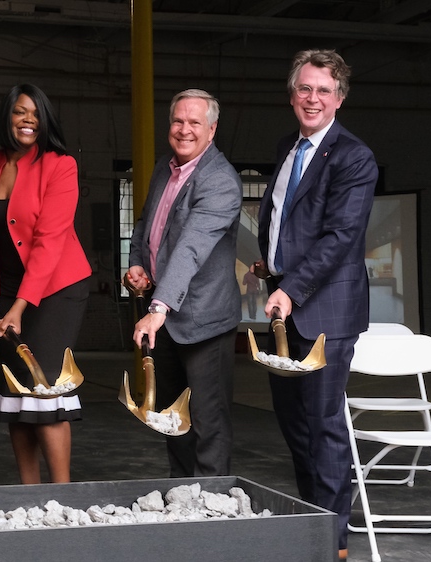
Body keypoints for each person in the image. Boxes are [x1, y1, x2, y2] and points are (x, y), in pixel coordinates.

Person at [252, 49, 377, 562]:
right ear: (292, 94)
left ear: (340, 98)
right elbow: (285, 219)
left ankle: (334, 541)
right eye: (305, 88)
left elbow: (340, 236)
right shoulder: (288, 147)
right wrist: (272, 268)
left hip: (326, 309)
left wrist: (290, 288)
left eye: (324, 90)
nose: (312, 98)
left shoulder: (353, 156)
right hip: (287, 298)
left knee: (323, 422)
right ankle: (312, 518)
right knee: (293, 422)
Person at [0, 83, 91, 484]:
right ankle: (29, 494)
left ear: (45, 120)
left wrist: (19, 307)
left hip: (57, 290)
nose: (28, 119)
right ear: (6, 117)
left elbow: (50, 243)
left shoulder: (60, 165)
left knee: (43, 387)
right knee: (16, 391)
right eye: (19, 111)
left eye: (36, 112)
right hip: (6, 290)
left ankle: (62, 493)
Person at [126, 89, 242, 478]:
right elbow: (146, 223)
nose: (184, 130)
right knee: (171, 419)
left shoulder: (221, 181)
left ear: (212, 130)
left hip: (203, 320)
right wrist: (139, 262)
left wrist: (157, 308)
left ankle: (212, 512)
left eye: (195, 122)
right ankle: (182, 501)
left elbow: (191, 247)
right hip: (165, 318)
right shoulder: (166, 166)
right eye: (178, 121)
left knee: (208, 423)